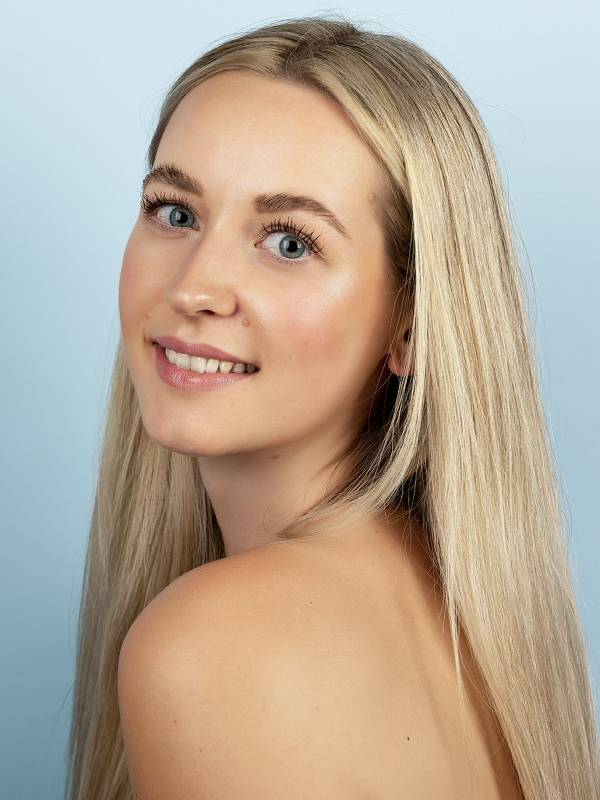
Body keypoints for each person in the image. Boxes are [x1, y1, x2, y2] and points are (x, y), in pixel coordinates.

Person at [65, 14, 600, 800]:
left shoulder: (214, 644)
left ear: (410, 324)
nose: (193, 288)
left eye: (289, 242)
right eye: (176, 212)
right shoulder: (451, 616)